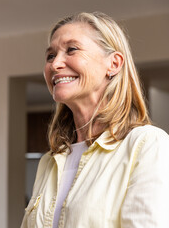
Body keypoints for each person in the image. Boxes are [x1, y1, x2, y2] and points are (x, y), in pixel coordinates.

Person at [21, 12, 169, 228]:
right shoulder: (49, 161)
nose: (55, 64)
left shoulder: (147, 145)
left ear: (114, 63)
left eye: (71, 49)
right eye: (50, 56)